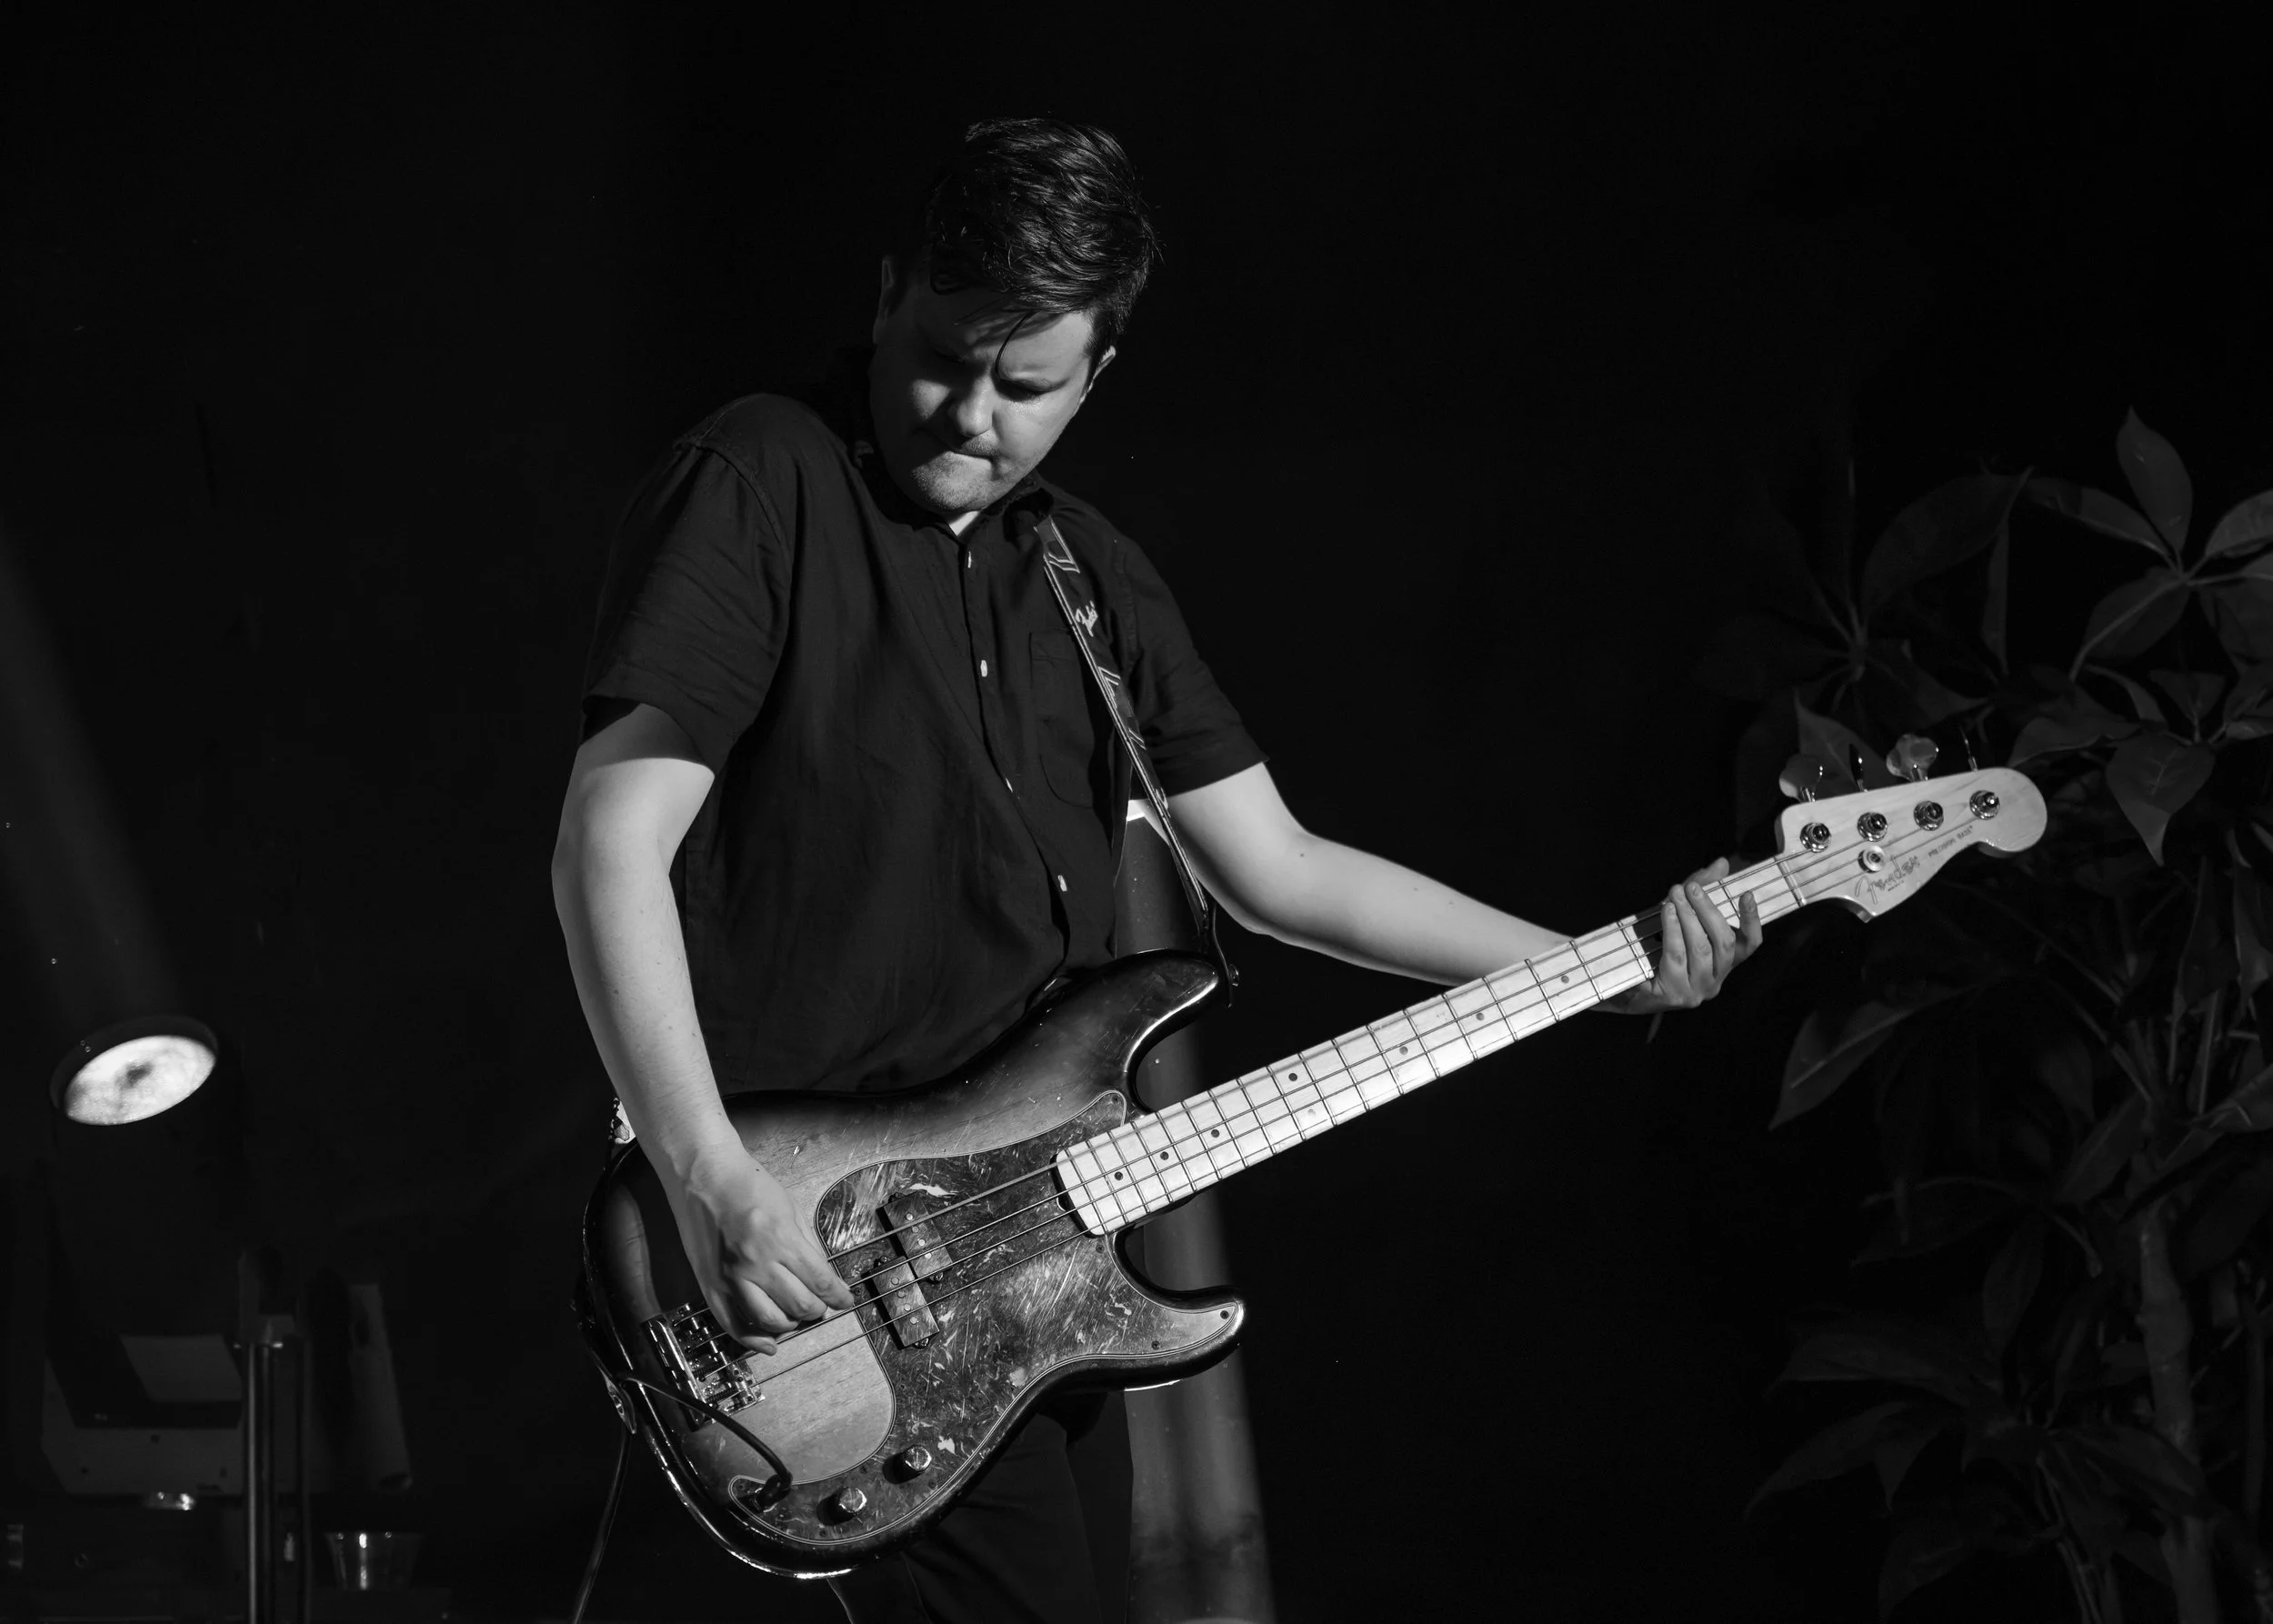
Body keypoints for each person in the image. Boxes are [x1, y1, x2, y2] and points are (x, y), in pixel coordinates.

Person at [550, 116, 1759, 1624]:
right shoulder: (757, 477)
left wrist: (1603, 970)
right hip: (822, 1267)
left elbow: (1282, 868)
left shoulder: (1091, 577)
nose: (969, 414)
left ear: (1100, 371)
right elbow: (608, 842)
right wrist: (709, 1175)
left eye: (1027, 385)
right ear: (886, 294)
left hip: (1032, 1282)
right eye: (941, 357)